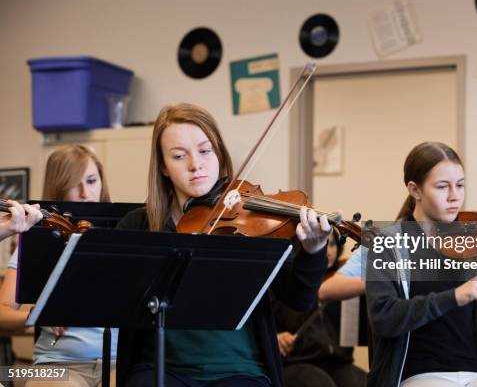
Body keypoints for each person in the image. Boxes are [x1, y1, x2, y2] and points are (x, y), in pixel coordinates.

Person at [115, 103, 331, 387]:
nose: (196, 165)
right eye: (179, 156)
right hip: (161, 369)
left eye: (205, 151)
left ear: (219, 154)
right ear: (164, 168)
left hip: (241, 368)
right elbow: (106, 286)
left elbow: (299, 299)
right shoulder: (140, 225)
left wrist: (313, 252)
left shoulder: (251, 221)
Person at [365, 142, 477, 387]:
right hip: (418, 373)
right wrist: (455, 296)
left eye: (460, 185)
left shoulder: (475, 241)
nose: (454, 196)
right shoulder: (388, 243)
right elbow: (384, 317)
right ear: (415, 190)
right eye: (442, 187)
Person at [0, 144, 117, 387]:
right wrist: (39, 316)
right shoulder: (35, 242)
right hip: (55, 365)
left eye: (92, 180)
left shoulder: (128, 232)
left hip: (119, 363)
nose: (86, 192)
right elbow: (2, 313)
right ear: (59, 189)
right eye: (75, 184)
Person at [274, 228, 367, 387]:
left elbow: (356, 334)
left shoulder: (344, 283)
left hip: (339, 363)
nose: (328, 251)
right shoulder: (288, 282)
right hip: (295, 363)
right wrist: (276, 337)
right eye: (322, 244)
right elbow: (265, 321)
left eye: (331, 244)